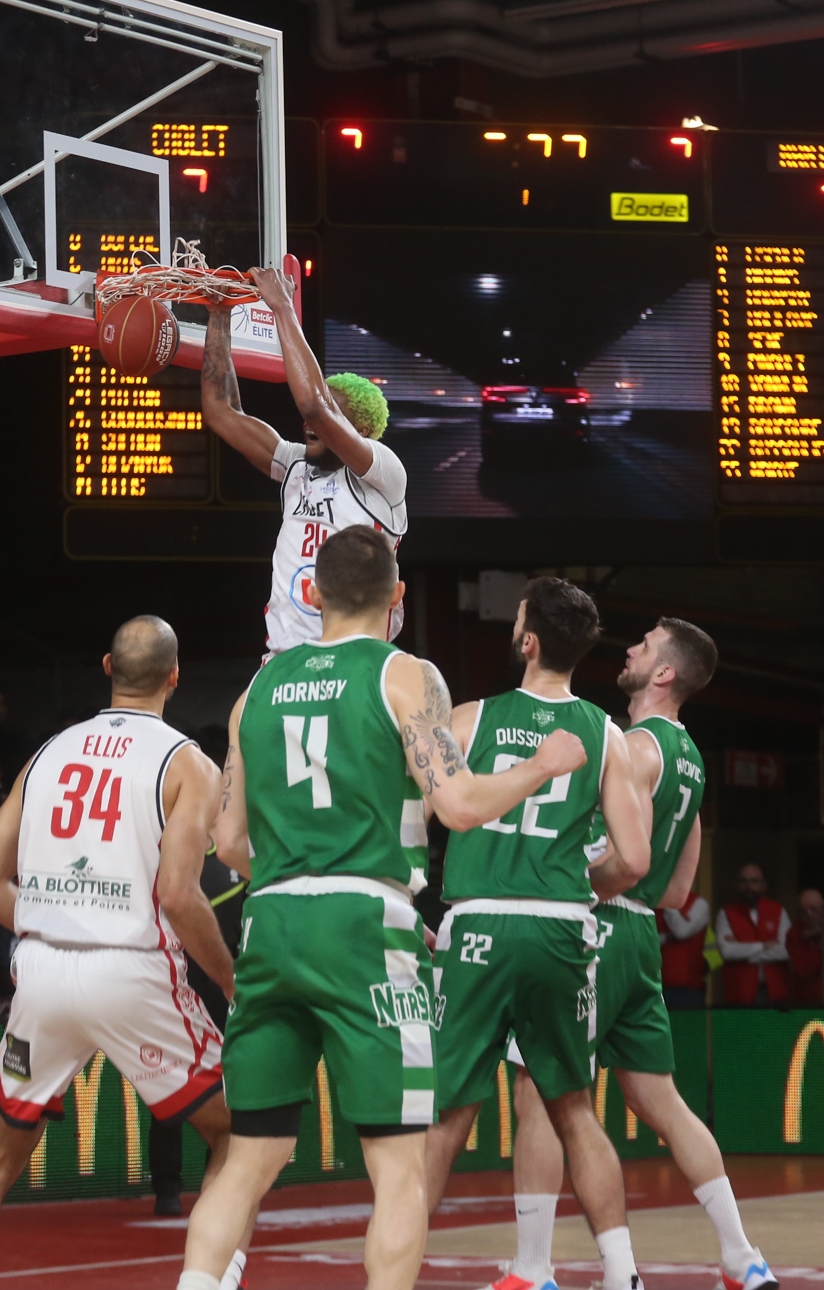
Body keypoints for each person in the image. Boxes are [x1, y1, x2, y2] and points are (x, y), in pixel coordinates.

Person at [179, 527, 587, 1290]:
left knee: (248, 1158)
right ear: (398, 599)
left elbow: (228, 841)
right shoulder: (408, 675)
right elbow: (459, 804)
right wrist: (541, 763)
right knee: (398, 1165)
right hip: (366, 923)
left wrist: (303, 869)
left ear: (311, 593)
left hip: (271, 923)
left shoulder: (254, 692)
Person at [0, 615, 242, 1289]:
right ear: (176, 677)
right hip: (130, 968)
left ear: (106, 666)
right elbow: (182, 898)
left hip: (40, 971)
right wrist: (234, 980)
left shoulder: (48, 752)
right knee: (241, 1136)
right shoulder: (189, 762)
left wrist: (56, 916)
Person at [491, 614, 773, 1290]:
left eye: (643, 646)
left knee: (538, 1091)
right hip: (642, 933)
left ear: (665, 672)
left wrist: (559, 887)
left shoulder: (634, 746)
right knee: (662, 1100)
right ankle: (741, 1257)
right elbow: (678, 888)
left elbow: (623, 859)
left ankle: (534, 1270)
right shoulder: (693, 761)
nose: (629, 649)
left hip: (596, 926)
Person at [417, 582, 654, 1290]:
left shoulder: (468, 718)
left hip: (479, 923)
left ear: (526, 642)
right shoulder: (604, 732)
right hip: (560, 928)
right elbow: (634, 859)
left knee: (447, 1114)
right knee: (574, 1107)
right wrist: (580, 891)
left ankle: (394, 1274)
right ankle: (621, 1271)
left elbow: (423, 816)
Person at [199, 266, 409, 657]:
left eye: (334, 416)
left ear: (358, 430)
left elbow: (314, 405)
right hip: (284, 657)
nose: (308, 423)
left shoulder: (384, 475)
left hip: (354, 656)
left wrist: (282, 306)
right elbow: (220, 411)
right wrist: (219, 313)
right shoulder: (296, 466)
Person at [716, 864, 791, 1004]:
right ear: (738, 885)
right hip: (740, 992)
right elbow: (727, 952)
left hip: (775, 992)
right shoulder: (726, 913)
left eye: (754, 881)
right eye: (744, 881)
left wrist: (744, 952)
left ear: (763, 885)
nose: (749, 886)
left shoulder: (778, 910)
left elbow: (787, 950)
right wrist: (765, 945)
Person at [660, 889, 713, 1010]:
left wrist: (667, 899)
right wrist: (666, 937)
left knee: (688, 1028)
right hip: (655, 987)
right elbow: (642, 940)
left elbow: (681, 931)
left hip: (688, 989)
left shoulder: (698, 903)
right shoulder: (650, 903)